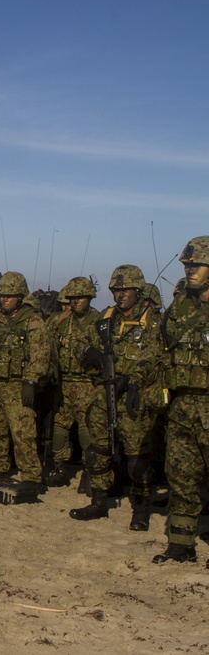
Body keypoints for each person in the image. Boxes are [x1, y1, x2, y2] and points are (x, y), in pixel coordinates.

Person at [70, 265, 164, 528]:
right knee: (97, 451)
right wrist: (91, 353)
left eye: (126, 290)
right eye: (116, 290)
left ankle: (141, 508)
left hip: (135, 395)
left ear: (138, 291)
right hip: (104, 393)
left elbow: (154, 356)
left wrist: (132, 380)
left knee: (136, 458)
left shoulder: (152, 321)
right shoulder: (106, 317)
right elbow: (79, 342)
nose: (121, 295)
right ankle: (99, 502)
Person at [153, 237, 209, 564]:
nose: (189, 271)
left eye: (196, 265)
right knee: (180, 473)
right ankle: (180, 543)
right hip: (183, 404)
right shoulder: (181, 305)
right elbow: (163, 349)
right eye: (187, 265)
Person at [0, 271, 51, 486]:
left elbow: (41, 355)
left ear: (20, 296)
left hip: (19, 385)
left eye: (10, 295)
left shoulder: (33, 322)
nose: (5, 299)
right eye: (2, 295)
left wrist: (31, 381)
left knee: (22, 433)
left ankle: (31, 476)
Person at [45, 276, 100, 488]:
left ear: (89, 297)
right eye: (73, 298)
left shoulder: (98, 321)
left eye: (81, 297)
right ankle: (61, 467)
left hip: (88, 382)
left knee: (87, 428)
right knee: (60, 426)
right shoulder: (60, 321)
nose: (76, 301)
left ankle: (90, 470)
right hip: (63, 381)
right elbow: (48, 348)